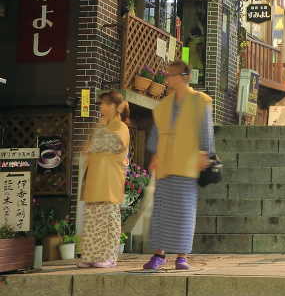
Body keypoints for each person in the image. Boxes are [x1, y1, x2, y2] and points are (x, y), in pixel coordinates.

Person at [143, 60, 213, 271]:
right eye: (168, 74)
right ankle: (158, 255)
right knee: (162, 211)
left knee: (184, 211)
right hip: (165, 163)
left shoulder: (201, 101)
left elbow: (206, 130)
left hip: (187, 163)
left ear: (185, 76)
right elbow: (155, 133)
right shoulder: (163, 105)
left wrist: (205, 153)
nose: (169, 78)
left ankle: (182, 256)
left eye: (172, 74)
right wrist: (154, 154)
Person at [80, 90, 131, 268]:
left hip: (109, 179)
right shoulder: (101, 126)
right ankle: (90, 256)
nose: (101, 106)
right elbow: (87, 148)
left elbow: (114, 144)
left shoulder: (121, 127)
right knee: (93, 218)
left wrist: (100, 132)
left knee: (107, 219)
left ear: (114, 107)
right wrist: (99, 131)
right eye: (101, 103)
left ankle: (108, 257)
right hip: (95, 177)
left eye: (104, 103)